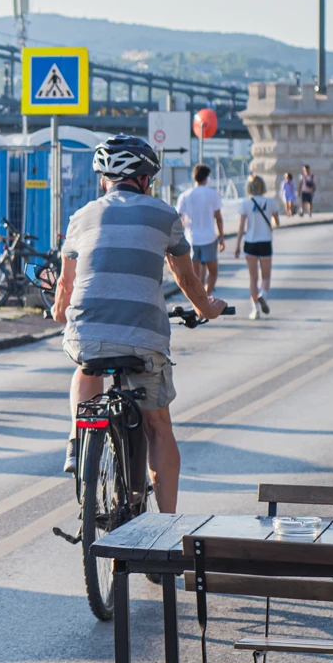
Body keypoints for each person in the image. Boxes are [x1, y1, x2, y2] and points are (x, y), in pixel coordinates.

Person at [49, 136, 226, 508]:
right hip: (143, 338)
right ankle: (163, 530)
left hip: (87, 333)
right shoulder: (163, 215)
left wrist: (58, 310)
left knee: (87, 365)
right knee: (158, 426)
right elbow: (187, 280)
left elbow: (65, 285)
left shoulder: (81, 217)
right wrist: (208, 309)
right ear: (145, 180)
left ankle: (78, 438)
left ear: (105, 180)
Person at [175, 163, 226, 292]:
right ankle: (207, 297)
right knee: (213, 273)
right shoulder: (213, 194)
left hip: (191, 239)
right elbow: (218, 218)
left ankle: (199, 302)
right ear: (206, 178)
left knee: (195, 276)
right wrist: (221, 239)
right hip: (209, 238)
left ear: (194, 177)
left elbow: (177, 218)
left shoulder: (185, 195)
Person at [237, 173, 280, 318]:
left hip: (250, 243)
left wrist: (237, 245)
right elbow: (276, 222)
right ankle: (263, 295)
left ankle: (255, 309)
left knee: (253, 278)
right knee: (266, 277)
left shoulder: (245, 203)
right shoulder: (271, 202)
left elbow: (242, 227)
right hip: (265, 242)